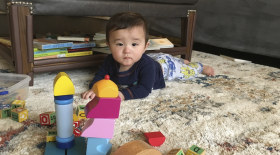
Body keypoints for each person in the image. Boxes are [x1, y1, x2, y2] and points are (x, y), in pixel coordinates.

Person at [82, 12, 214, 101]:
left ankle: (198, 66)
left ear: (145, 46)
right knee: (162, 58)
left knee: (185, 71)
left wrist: (122, 95)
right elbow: (99, 76)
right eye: (120, 44)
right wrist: (96, 88)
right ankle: (180, 60)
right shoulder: (110, 60)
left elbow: (144, 89)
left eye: (134, 44)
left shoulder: (147, 65)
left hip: (166, 67)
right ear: (109, 46)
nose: (127, 50)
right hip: (155, 58)